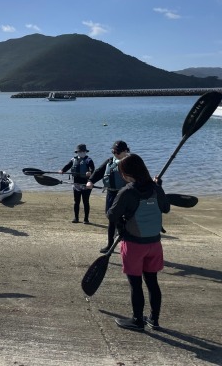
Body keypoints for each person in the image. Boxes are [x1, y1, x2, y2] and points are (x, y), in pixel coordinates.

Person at [107, 153, 170, 331]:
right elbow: (166, 208)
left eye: (122, 173)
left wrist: (124, 215)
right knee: (152, 281)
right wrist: (159, 187)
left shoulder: (127, 191)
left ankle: (137, 320)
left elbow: (111, 215)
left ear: (127, 174)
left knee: (135, 283)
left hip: (133, 244)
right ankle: (154, 320)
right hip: (154, 244)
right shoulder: (156, 189)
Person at [87, 140, 131, 252]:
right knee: (111, 218)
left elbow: (141, 176)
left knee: (126, 220)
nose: (115, 153)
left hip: (125, 194)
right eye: (114, 151)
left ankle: (128, 244)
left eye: (118, 152)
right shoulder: (110, 161)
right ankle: (110, 245)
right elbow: (99, 172)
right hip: (111, 193)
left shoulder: (131, 162)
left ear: (125, 151)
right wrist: (91, 181)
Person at [59, 144, 95, 224]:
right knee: (76, 201)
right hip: (76, 184)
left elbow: (93, 169)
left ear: (85, 152)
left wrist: (90, 172)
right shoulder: (73, 159)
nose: (81, 153)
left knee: (86, 201)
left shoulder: (88, 160)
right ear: (77, 152)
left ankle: (86, 219)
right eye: (79, 151)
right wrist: (62, 170)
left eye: (83, 151)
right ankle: (76, 218)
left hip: (86, 184)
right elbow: (67, 166)